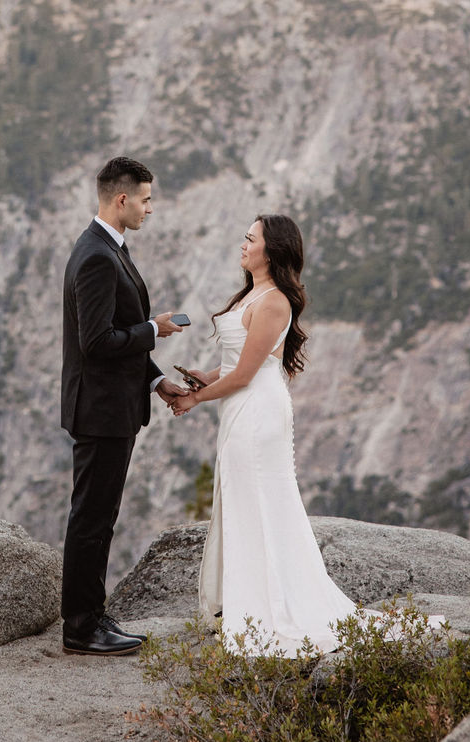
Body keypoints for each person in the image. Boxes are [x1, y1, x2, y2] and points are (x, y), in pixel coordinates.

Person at [172, 213, 373, 655]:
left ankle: (267, 607)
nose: (242, 245)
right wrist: (201, 378)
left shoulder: (275, 301)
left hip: (257, 411)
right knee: (243, 500)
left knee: (259, 501)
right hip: (241, 406)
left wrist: (194, 399)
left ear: (271, 250)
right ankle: (246, 600)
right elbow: (236, 365)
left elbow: (246, 374)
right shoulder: (253, 294)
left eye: (250, 239)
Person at [60, 156, 186, 656]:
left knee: (99, 515)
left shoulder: (107, 248)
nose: (150, 209)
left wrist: (155, 381)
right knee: (91, 518)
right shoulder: (95, 256)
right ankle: (81, 628)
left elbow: (114, 338)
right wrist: (155, 330)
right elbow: (97, 342)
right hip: (100, 412)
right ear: (122, 199)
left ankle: (90, 613)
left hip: (112, 405)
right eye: (146, 199)